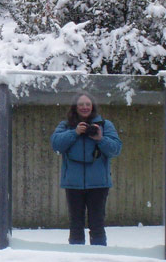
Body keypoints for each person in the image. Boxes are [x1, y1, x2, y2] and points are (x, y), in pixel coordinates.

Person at [50, 92, 122, 246]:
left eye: (87, 104)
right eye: (81, 104)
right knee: (75, 224)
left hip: (98, 184)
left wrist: (100, 139)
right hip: (73, 184)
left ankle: (99, 257)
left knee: (97, 224)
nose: (84, 107)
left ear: (93, 107)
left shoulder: (104, 125)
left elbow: (115, 149)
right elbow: (56, 145)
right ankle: (76, 258)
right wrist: (74, 133)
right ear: (75, 107)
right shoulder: (66, 125)